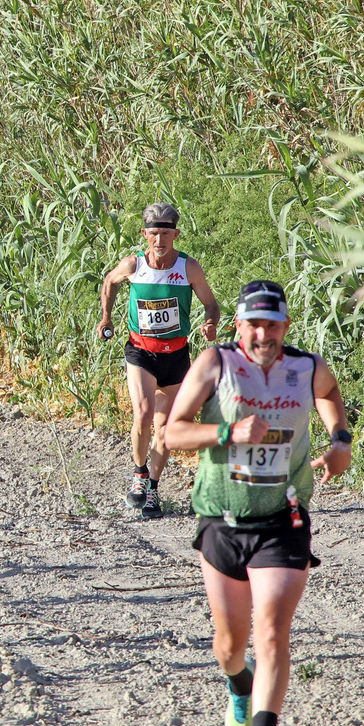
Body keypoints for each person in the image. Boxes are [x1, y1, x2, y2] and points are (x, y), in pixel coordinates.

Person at [164, 281, 352, 726]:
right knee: (229, 647)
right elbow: (173, 433)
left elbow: (330, 395)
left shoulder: (305, 367)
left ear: (285, 326)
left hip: (282, 520)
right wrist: (227, 434)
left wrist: (339, 441)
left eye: (272, 324)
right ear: (239, 326)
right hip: (222, 519)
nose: (263, 333)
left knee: (271, 632)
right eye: (254, 324)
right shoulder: (215, 364)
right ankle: (238, 684)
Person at [98, 203, 220, 518]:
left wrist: (210, 322)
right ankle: (139, 474)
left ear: (176, 234)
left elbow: (211, 303)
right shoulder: (133, 265)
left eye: (166, 233)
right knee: (143, 411)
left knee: (164, 430)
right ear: (145, 234)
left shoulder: (189, 267)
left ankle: (152, 489)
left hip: (176, 354)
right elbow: (109, 282)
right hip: (140, 351)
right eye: (154, 233)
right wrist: (106, 317)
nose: (160, 240)